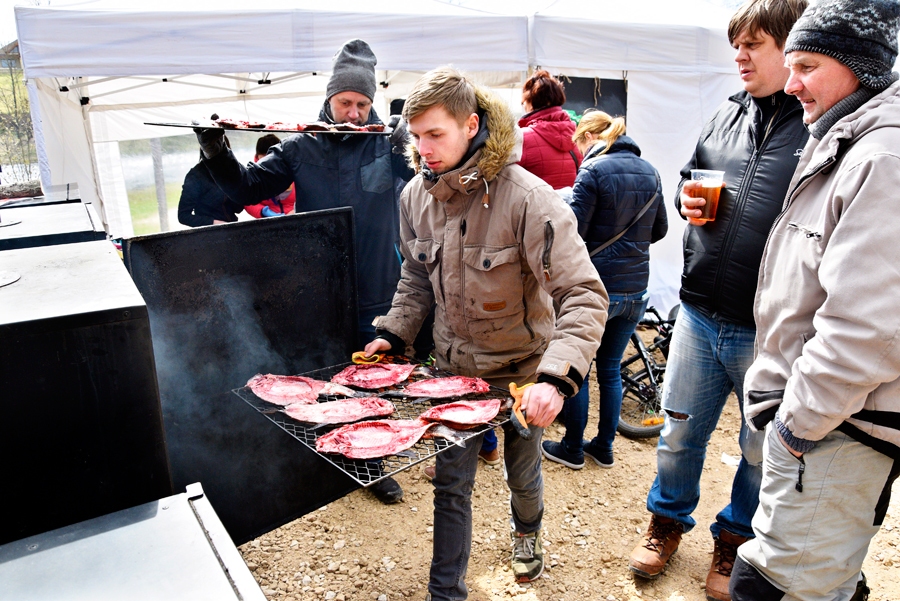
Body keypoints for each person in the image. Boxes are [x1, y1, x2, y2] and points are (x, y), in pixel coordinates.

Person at [363, 66, 607, 600]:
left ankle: (528, 534)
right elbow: (414, 277)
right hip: (452, 374)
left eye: (436, 134)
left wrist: (556, 378)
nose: (423, 148)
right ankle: (445, 590)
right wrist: (395, 332)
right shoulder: (414, 198)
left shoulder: (529, 198)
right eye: (416, 136)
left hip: (521, 372)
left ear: (471, 125)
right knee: (451, 485)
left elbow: (583, 294)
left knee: (522, 474)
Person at [627, 2, 810, 599]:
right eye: (737, 44)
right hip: (699, 312)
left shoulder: (820, 128)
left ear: (792, 47)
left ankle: (733, 544)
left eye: (754, 44)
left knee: (758, 452)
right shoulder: (727, 114)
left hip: (769, 328)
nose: (739, 55)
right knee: (679, 434)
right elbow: (690, 174)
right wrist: (686, 196)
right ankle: (666, 524)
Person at [730, 1, 900, 599]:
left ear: (860, 69)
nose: (792, 81)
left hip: (838, 425)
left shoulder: (882, 157)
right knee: (825, 576)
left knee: (775, 587)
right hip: (829, 420)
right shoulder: (845, 136)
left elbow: (869, 329)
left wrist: (795, 427)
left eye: (808, 65)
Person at [195, 39, 411, 505]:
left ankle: (373, 460)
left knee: (374, 374)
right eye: (345, 102)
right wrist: (216, 153)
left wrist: (405, 141)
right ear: (329, 100)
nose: (353, 112)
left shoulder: (382, 147)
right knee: (330, 372)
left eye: (361, 104)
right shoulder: (301, 147)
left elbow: (425, 178)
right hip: (321, 285)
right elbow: (248, 186)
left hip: (377, 284)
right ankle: (343, 451)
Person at [541, 110, 667, 470]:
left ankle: (573, 448)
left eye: (578, 144)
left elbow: (573, 229)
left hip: (596, 288)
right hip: (635, 289)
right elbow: (659, 230)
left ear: (588, 138)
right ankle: (605, 447)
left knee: (576, 367)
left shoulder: (593, 170)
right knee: (610, 368)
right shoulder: (651, 171)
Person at [517, 70, 581, 189]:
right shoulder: (576, 135)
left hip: (535, 206)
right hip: (567, 206)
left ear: (530, 101)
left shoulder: (522, 137)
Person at [177, 137, 245, 227]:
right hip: (208, 233)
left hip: (231, 228)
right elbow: (183, 215)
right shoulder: (196, 175)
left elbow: (238, 208)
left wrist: (237, 189)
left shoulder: (232, 170)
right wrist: (213, 222)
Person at [244, 134, 296, 218]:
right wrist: (263, 212)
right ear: (257, 157)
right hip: (267, 223)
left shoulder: (293, 171)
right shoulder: (253, 176)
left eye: (270, 159)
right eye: (264, 159)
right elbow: (247, 202)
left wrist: (296, 210)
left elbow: (308, 196)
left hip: (294, 219)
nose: (268, 164)